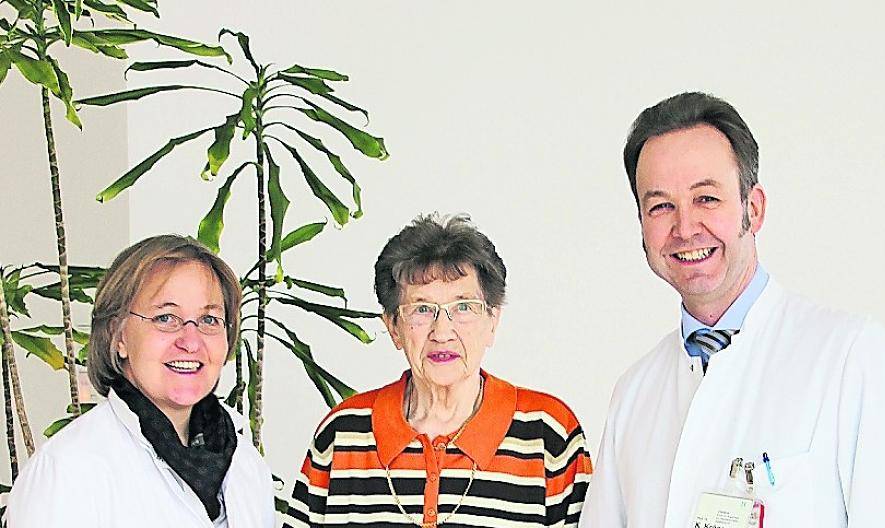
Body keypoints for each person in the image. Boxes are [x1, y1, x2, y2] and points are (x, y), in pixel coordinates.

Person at [581, 92, 885, 527]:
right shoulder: (634, 394)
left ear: (754, 208)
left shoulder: (853, 358)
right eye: (660, 206)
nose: (685, 227)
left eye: (706, 199)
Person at [282, 214, 592, 527]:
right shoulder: (342, 433)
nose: (442, 332)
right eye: (421, 309)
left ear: (493, 321)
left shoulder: (547, 434)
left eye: (464, 307)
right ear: (393, 328)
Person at [6, 235, 275, 527]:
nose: (190, 341)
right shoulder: (67, 470)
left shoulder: (244, 462)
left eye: (209, 320)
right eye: (166, 318)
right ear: (118, 335)